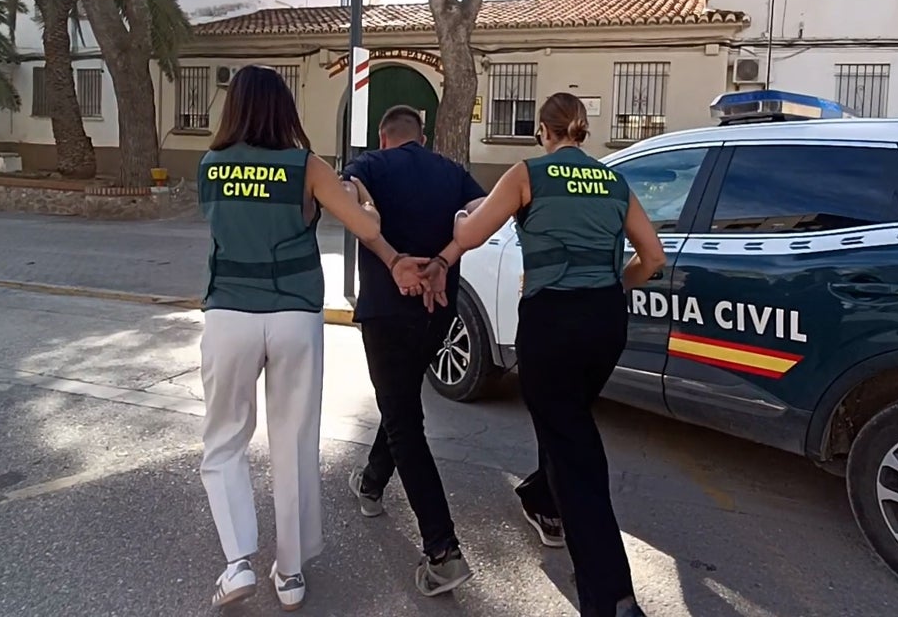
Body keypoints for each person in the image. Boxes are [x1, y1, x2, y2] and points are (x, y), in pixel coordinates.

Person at [198, 66, 427, 612]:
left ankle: (237, 564)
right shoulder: (307, 167)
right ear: (285, 110)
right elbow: (367, 228)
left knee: (224, 439)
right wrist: (363, 198)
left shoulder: (209, 166)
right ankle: (292, 573)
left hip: (229, 313)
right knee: (294, 441)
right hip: (295, 317)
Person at [452, 92, 666, 617]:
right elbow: (653, 256)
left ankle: (612, 595)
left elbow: (472, 236)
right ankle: (543, 500)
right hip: (605, 321)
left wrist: (464, 213)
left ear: (543, 132)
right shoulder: (613, 180)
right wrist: (615, 284)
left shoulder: (529, 173)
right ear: (583, 131)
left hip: (552, 322)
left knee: (577, 450)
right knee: (566, 418)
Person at [341, 105, 486, 596]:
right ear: (420, 138)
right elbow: (481, 219)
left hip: (386, 310)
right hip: (437, 308)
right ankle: (371, 483)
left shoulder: (367, 167)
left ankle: (443, 551)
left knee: (404, 419)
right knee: (400, 401)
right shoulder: (452, 172)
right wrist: (445, 260)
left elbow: (348, 206)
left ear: (385, 137)